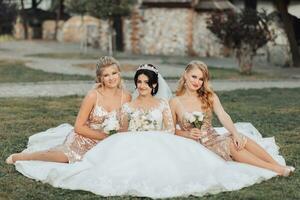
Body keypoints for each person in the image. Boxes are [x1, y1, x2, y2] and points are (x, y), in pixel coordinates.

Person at [9, 64, 291, 198]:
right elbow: (120, 126)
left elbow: (169, 129)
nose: (141, 86)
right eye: (138, 82)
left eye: (145, 82)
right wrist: (116, 131)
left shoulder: (165, 104)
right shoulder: (129, 103)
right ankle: (25, 156)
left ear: (154, 85)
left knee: (236, 140)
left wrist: (177, 133)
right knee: (95, 160)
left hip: (164, 140)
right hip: (129, 141)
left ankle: (276, 166)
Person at [169, 60, 295, 176]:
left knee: (240, 138)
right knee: (231, 145)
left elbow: (223, 115)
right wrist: (187, 133)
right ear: (186, 74)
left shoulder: (208, 96)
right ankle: (274, 169)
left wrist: (235, 133)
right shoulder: (175, 102)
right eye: (194, 77)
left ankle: (277, 165)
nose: (197, 82)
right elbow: (171, 130)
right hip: (198, 145)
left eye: (201, 79)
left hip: (213, 137)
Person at [6, 56, 131, 164]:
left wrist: (114, 138)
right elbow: (79, 127)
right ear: (100, 78)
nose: (111, 78)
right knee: (64, 158)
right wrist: (103, 137)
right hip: (85, 139)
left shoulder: (126, 96)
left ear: (119, 73)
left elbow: (124, 125)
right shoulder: (93, 95)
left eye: (114, 73)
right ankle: (22, 157)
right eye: (106, 75)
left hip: (109, 141)